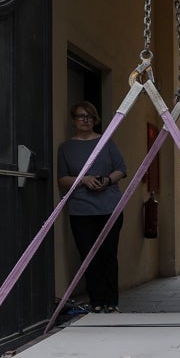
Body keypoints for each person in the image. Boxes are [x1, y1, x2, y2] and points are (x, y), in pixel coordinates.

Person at [57, 101, 127, 314]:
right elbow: (62, 179)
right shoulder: (66, 148)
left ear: (95, 120)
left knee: (108, 255)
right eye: (80, 116)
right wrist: (83, 180)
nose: (84, 120)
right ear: (73, 120)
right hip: (81, 210)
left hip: (109, 208)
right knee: (88, 255)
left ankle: (111, 302)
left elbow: (121, 169)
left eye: (89, 116)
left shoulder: (106, 142)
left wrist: (106, 180)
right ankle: (96, 300)